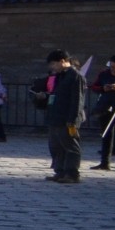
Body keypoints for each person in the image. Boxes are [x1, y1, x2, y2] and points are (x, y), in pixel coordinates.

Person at [41, 49, 86, 182]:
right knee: (56, 146)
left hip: (67, 118)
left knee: (70, 146)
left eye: (53, 64)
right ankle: (60, 171)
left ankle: (72, 174)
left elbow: (78, 100)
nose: (52, 67)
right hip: (55, 116)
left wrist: (73, 119)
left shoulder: (75, 76)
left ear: (62, 61)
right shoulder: (60, 76)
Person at [92, 55, 115, 169]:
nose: (114, 70)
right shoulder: (104, 74)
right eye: (112, 67)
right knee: (106, 135)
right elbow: (94, 86)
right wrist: (103, 88)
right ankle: (105, 162)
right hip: (106, 107)